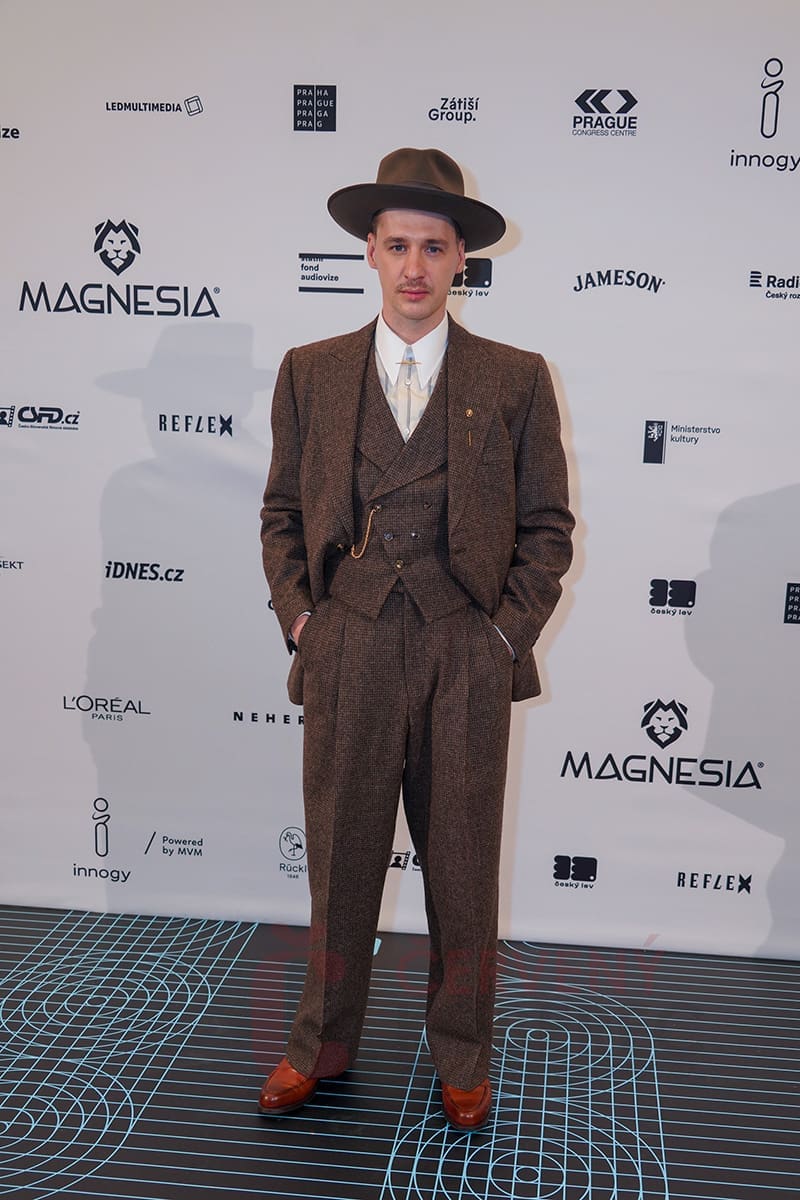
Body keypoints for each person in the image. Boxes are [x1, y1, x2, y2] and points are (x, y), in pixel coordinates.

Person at [258, 147, 574, 1130]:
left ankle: (463, 1053)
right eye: (397, 245)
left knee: (464, 869)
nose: (414, 267)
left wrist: (500, 637)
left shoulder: (515, 379)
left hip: (461, 652)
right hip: (347, 645)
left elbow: (547, 529)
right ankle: (321, 1043)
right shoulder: (309, 372)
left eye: (433, 248)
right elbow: (280, 512)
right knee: (340, 863)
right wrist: (302, 618)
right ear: (369, 250)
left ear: (459, 259)